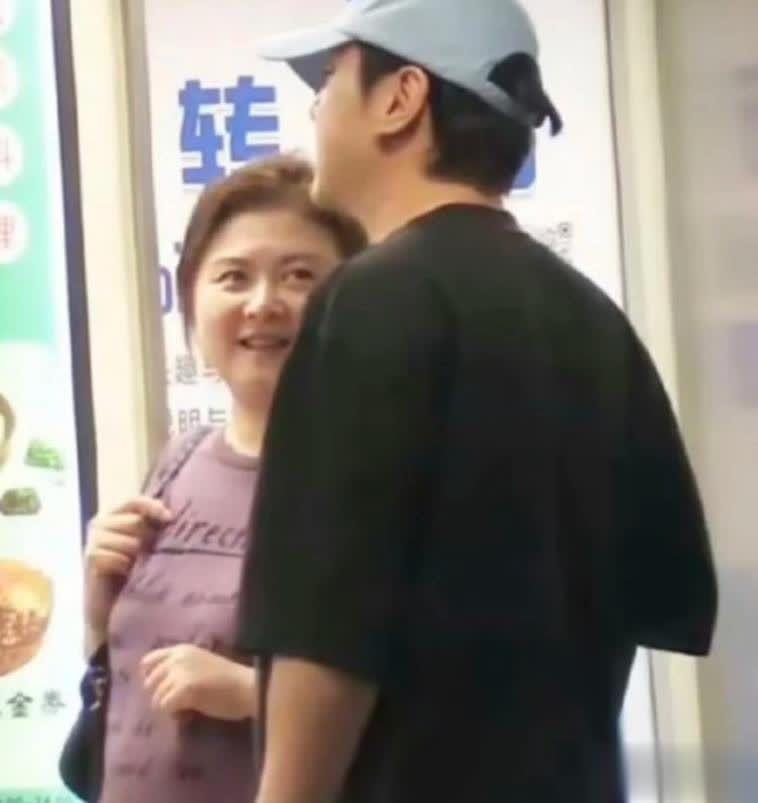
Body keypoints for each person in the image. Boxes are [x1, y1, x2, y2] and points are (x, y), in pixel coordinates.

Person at [235, 2, 718, 803]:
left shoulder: (371, 301)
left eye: (330, 79)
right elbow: (648, 601)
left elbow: (329, 630)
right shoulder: (594, 322)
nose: (315, 106)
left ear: (402, 98)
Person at [82, 155, 366, 803]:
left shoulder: (373, 475)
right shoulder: (178, 462)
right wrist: (100, 607)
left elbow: (442, 707)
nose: (263, 304)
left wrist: (251, 695)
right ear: (190, 298)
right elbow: (122, 683)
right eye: (234, 277)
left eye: (300, 276)